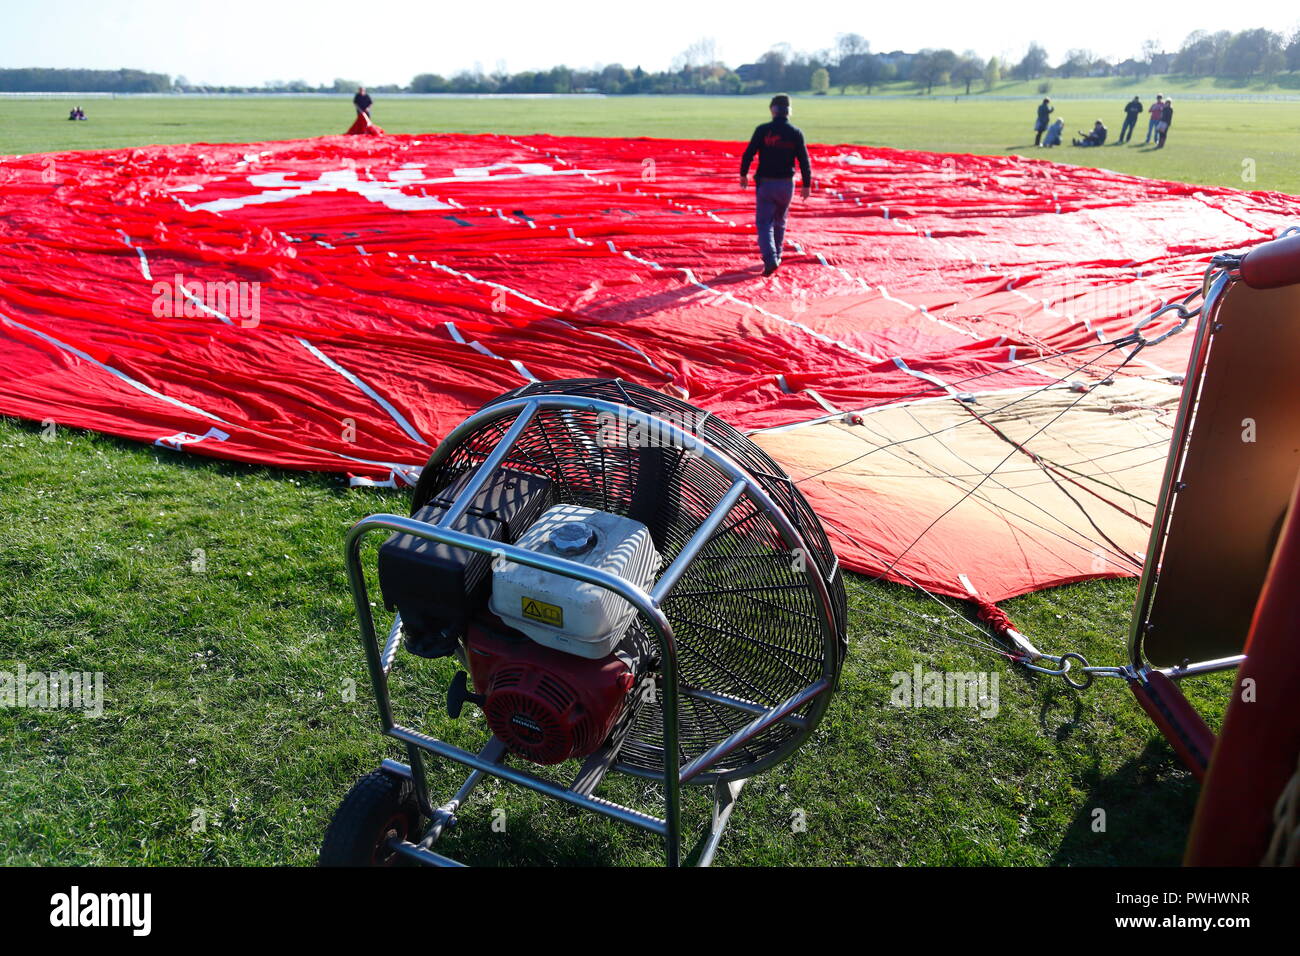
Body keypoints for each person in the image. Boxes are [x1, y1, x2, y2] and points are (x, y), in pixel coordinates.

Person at [740, 93, 812, 276]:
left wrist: (743, 174)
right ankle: (777, 255)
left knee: (764, 223)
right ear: (789, 111)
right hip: (787, 184)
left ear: (773, 109)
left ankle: (770, 258)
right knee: (780, 220)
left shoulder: (763, 130)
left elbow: (749, 153)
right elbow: (804, 160)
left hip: (766, 183)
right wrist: (807, 184)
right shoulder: (795, 133)